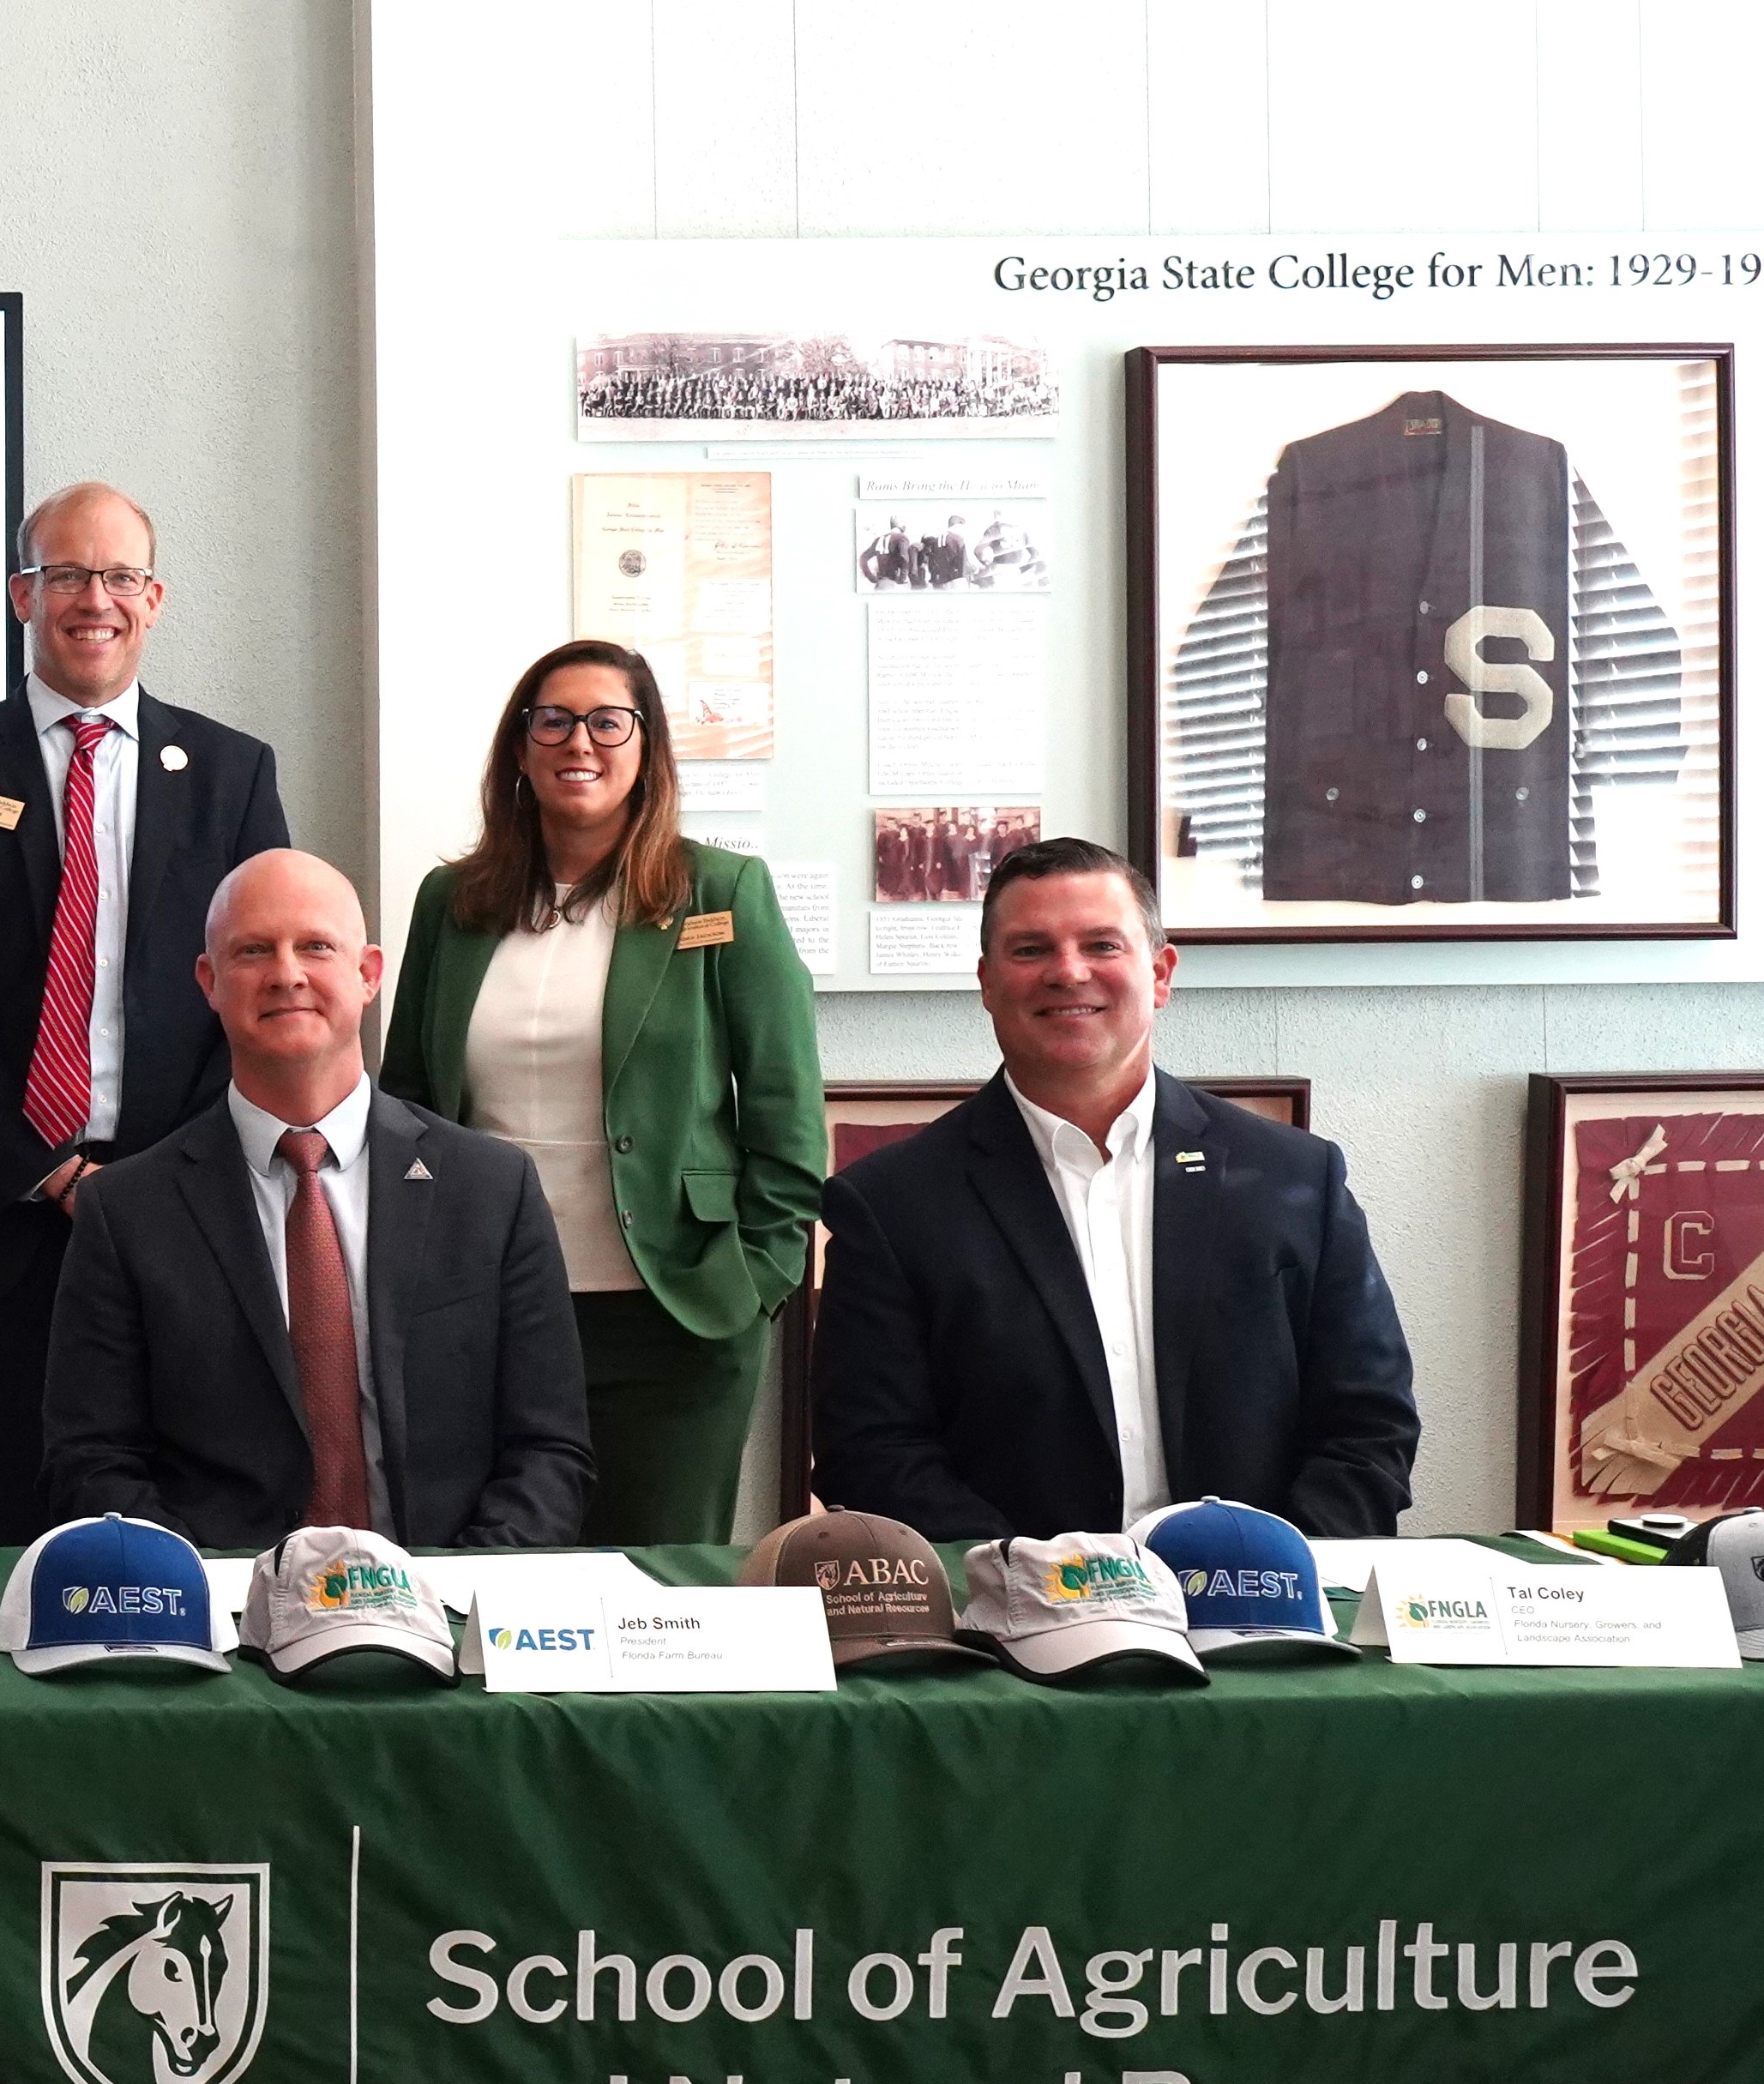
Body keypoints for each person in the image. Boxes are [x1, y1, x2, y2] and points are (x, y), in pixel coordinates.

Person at [0, 480, 291, 1549]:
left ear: (154, 599)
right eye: (64, 574)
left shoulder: (233, 774)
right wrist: (51, 1170)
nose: (90, 598)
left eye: (115, 576)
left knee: (174, 1512)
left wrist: (147, 1181)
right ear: (23, 594)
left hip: (181, 1204)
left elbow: (259, 996)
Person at [813, 838, 1418, 1538]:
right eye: (1030, 950)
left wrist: (1273, 1569)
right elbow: (869, 1453)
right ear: (985, 982)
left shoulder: (1295, 1179)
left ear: (1160, 973)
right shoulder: (890, 1204)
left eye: (1101, 945)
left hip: (1261, 1609)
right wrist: (1031, 1584)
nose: (1067, 972)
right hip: (1013, 1621)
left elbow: (1368, 1425)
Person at [382, 640, 823, 1543]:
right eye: (552, 719)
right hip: (487, 1310)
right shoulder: (452, 902)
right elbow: (410, 1104)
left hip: (673, 1310)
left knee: (658, 1592)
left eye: (606, 720)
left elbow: (785, 1108)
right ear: (519, 745)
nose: (577, 740)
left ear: (647, 746)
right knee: (493, 1573)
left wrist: (756, 1279)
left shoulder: (720, 890)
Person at [43, 850, 590, 1550]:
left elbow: (548, 1449)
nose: (286, 973)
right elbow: (91, 1460)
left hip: (444, 1604)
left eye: (314, 946)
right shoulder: (125, 1212)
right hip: (226, 1619)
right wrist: (210, 1592)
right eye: (252, 951)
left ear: (367, 974)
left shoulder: (491, 1188)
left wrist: (456, 1592)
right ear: (208, 982)